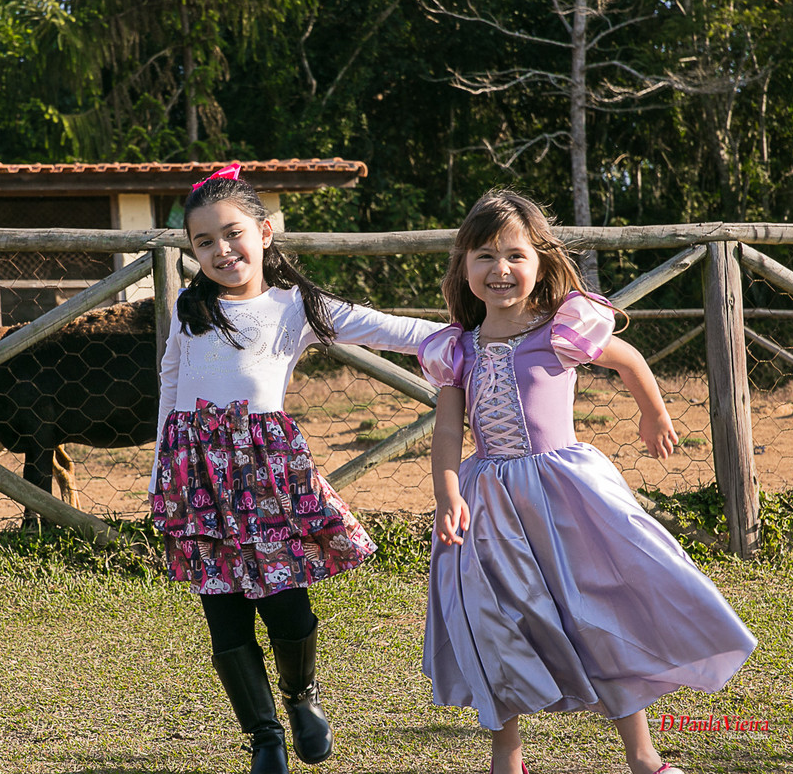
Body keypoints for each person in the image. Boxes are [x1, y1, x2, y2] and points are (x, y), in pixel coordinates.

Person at [418, 189, 757, 774]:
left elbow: (627, 359)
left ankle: (643, 756)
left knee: (600, 610)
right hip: (488, 505)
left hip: (566, 495)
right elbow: (448, 432)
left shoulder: (561, 330)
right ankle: (509, 756)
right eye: (484, 256)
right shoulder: (457, 350)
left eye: (515, 255)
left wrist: (654, 413)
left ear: (541, 262)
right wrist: (448, 489)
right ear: (463, 265)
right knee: (494, 619)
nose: (500, 270)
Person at [149, 163, 445, 774]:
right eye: (204, 242)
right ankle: (263, 737)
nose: (221, 250)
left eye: (232, 234)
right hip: (197, 474)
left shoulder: (293, 308)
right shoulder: (188, 308)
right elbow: (170, 383)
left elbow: (385, 327)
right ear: (191, 251)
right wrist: (163, 468)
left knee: (287, 602)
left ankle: (301, 699)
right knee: (223, 609)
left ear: (264, 233)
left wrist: (478, 334)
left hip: (267, 473)